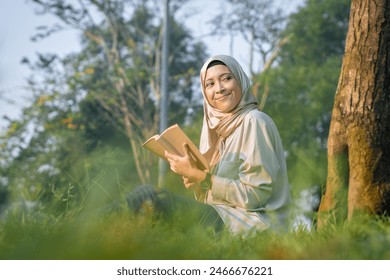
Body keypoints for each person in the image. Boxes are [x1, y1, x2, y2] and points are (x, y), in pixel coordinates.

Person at [127, 54, 291, 235]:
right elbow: (218, 196)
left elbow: (255, 197)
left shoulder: (254, 121)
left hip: (253, 226)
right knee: (148, 216)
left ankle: (89, 228)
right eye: (210, 84)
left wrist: (202, 177)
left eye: (226, 78)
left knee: (150, 197)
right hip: (226, 218)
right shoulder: (217, 131)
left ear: (240, 80)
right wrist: (197, 182)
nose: (219, 89)